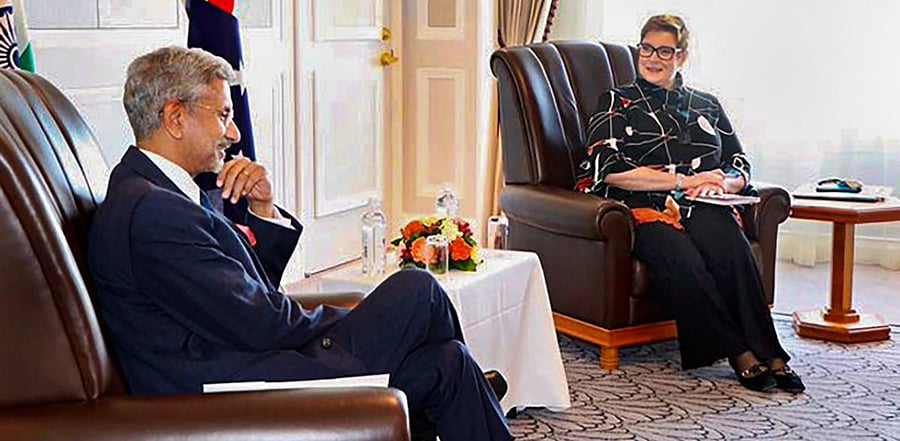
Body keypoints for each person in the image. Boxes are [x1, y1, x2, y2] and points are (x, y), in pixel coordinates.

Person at [88, 46, 514, 441]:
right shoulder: (153, 211)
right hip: (228, 388)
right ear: (175, 117)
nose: (234, 132)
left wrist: (264, 210)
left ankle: (458, 396)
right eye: (222, 114)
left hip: (240, 359)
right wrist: (351, 323)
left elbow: (238, 294)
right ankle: (459, 401)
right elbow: (258, 322)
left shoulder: (159, 191)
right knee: (418, 292)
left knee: (448, 363)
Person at [575, 15, 804, 393]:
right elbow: (611, 168)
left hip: (703, 202)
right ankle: (740, 353)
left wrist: (723, 183)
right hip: (640, 207)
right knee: (684, 261)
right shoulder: (615, 101)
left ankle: (773, 353)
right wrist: (684, 180)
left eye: (664, 50)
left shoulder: (707, 104)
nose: (653, 57)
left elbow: (739, 162)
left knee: (732, 248)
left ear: (681, 56)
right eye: (646, 48)